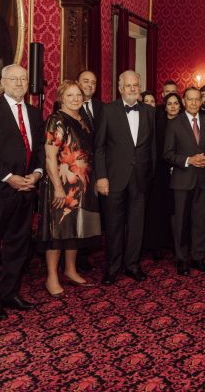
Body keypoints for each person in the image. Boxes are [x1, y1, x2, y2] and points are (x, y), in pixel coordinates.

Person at [0, 64, 43, 320]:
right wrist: (10, 178)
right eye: (13, 79)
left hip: (26, 189)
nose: (19, 83)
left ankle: (10, 292)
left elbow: (39, 151)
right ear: (2, 82)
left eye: (23, 78)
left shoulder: (35, 114)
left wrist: (36, 174)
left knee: (18, 245)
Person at [94, 70, 156, 285]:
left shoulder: (149, 111)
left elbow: (152, 146)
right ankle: (112, 268)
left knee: (137, 224)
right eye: (128, 85)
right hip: (114, 177)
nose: (132, 89)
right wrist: (101, 176)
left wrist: (151, 174)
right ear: (120, 88)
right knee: (113, 224)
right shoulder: (108, 111)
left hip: (140, 177)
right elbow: (99, 147)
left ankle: (132, 265)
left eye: (136, 85)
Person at [40, 80, 101, 297]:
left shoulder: (83, 118)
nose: (75, 99)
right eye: (70, 95)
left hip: (81, 183)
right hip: (62, 183)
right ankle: (52, 277)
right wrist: (57, 187)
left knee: (74, 228)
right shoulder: (56, 120)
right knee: (57, 230)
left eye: (78, 95)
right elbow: (49, 157)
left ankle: (70, 270)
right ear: (60, 98)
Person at [163, 87, 205, 274]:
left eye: (198, 99)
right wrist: (189, 160)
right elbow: (168, 153)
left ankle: (198, 258)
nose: (195, 103)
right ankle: (181, 260)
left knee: (200, 221)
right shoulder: (174, 124)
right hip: (182, 180)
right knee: (181, 222)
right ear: (184, 101)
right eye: (191, 99)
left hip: (203, 180)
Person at [143, 92, 183, 260]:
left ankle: (176, 245)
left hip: (180, 170)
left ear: (180, 106)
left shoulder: (185, 123)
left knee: (176, 210)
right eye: (169, 103)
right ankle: (156, 245)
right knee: (158, 209)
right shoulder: (157, 123)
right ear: (164, 106)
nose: (173, 106)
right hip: (160, 171)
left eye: (176, 103)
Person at [75, 70, 103, 273]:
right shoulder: (65, 107)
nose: (90, 85)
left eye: (93, 82)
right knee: (78, 213)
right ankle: (74, 259)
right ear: (77, 83)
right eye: (86, 81)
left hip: (98, 168)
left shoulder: (103, 107)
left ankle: (85, 255)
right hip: (76, 169)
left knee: (92, 211)